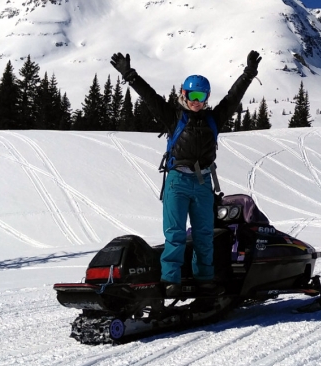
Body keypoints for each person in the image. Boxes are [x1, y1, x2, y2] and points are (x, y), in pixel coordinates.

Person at [110, 50, 262, 297]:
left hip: (202, 183)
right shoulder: (173, 116)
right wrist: (129, 74)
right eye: (192, 94)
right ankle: (171, 279)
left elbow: (233, 98)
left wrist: (248, 74)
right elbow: (148, 97)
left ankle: (204, 279)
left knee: (204, 235)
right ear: (183, 93)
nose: (196, 100)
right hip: (177, 182)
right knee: (176, 233)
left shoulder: (214, 118)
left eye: (201, 96)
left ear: (207, 97)